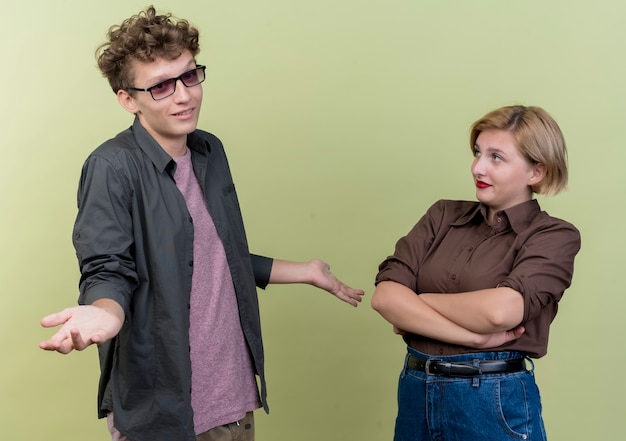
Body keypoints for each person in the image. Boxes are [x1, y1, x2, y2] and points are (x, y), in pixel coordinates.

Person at [39, 6, 364, 441]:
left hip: (234, 396)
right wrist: (106, 315)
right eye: (161, 86)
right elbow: (109, 269)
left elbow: (212, 254)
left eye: (190, 76)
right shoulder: (111, 167)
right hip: (166, 411)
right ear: (127, 99)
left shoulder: (209, 151)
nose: (183, 96)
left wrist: (304, 271)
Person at [371, 105, 580, 440]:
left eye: (496, 157)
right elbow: (384, 298)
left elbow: (500, 312)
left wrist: (417, 301)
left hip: (492, 399)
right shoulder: (442, 215)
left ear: (536, 172)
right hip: (415, 391)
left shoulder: (554, 236)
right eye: (478, 152)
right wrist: (474, 338)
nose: (477, 167)